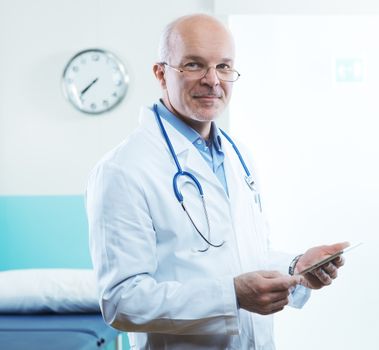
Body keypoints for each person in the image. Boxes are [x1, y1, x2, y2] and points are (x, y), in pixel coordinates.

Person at [86, 14, 349, 350]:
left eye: (224, 66)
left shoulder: (237, 155)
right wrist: (232, 295)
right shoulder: (123, 170)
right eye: (194, 65)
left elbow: (239, 256)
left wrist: (295, 267)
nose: (213, 80)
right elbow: (122, 301)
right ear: (160, 73)